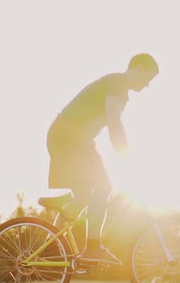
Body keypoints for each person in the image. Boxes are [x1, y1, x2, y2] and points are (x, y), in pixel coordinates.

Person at [46, 54, 159, 265]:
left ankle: (48, 244)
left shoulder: (118, 87)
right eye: (147, 78)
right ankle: (93, 247)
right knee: (103, 187)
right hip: (69, 139)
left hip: (72, 139)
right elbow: (114, 122)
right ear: (137, 68)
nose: (147, 85)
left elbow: (111, 123)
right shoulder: (117, 84)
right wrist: (126, 156)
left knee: (82, 197)